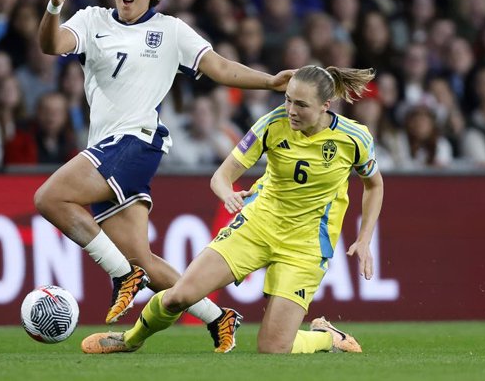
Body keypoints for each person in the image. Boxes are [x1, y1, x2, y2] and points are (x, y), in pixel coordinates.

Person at [34, 0, 292, 353]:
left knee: (49, 198)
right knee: (143, 261)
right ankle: (217, 317)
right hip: (104, 146)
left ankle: (121, 278)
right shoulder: (91, 20)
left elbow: (219, 67)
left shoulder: (169, 31)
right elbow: (51, 45)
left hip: (135, 141)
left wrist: (271, 81)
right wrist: (54, 7)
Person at [81, 64, 384, 355]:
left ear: (325, 106)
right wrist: (228, 194)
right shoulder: (272, 124)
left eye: (301, 105)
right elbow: (221, 176)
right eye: (288, 99)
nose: (291, 110)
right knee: (180, 296)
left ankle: (326, 337)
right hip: (257, 226)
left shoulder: (354, 138)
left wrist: (364, 238)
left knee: (274, 348)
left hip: (305, 247)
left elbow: (374, 185)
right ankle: (130, 339)